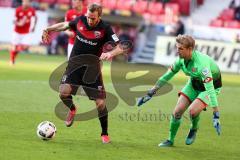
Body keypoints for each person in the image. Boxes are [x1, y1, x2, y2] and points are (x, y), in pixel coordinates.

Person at [42, 3, 126, 144]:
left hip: (92, 70)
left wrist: (110, 53)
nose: (89, 20)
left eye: (92, 18)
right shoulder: (80, 20)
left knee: (100, 104)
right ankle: (72, 108)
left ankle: (104, 133)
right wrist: (49, 29)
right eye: (88, 16)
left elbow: (122, 47)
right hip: (74, 65)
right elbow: (66, 25)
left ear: (99, 17)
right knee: (63, 93)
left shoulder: (105, 28)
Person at [137, 35, 222, 147]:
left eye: (181, 49)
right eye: (177, 48)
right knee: (177, 112)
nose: (177, 51)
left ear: (190, 49)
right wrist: (151, 92)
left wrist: (216, 114)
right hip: (193, 84)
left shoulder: (202, 65)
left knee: (192, 111)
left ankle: (194, 128)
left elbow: (210, 88)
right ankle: (170, 140)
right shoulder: (180, 61)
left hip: (209, 88)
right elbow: (166, 76)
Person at [10, 0, 37, 65]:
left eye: (27, 2)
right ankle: (12, 60)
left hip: (26, 32)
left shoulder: (32, 10)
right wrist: (19, 23)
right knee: (14, 46)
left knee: (26, 47)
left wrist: (34, 27)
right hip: (17, 32)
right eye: (24, 1)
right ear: (22, 2)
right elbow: (14, 21)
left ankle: (14, 52)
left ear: (29, 3)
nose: (25, 3)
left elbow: (35, 18)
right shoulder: (18, 10)